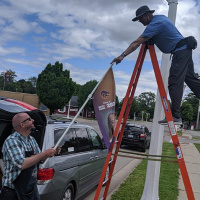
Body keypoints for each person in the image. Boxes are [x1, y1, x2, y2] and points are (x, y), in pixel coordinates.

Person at [111, 5, 200, 125]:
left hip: (180, 52)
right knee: (191, 80)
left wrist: (122, 55)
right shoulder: (160, 18)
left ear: (147, 15)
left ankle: (176, 116)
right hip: (184, 50)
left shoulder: (155, 24)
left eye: (140, 19)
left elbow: (137, 42)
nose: (140, 21)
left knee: (174, 82)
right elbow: (163, 35)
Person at [1, 112, 59, 200]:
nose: (33, 120)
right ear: (22, 125)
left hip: (30, 189)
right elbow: (22, 164)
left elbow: (39, 159)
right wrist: (44, 153)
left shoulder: (31, 140)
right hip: (13, 192)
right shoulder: (12, 141)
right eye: (29, 119)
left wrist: (50, 152)